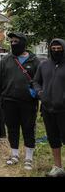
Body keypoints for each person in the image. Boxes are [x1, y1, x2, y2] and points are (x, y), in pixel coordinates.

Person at [0, 32, 40, 171]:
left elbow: (39, 81)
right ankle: (14, 155)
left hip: (28, 102)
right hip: (9, 101)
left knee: (28, 128)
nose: (13, 44)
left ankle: (29, 158)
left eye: (16, 41)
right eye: (12, 41)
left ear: (23, 43)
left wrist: (36, 93)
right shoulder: (6, 60)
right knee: (12, 128)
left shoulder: (34, 61)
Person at [34, 39, 65, 177]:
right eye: (54, 48)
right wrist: (40, 92)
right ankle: (58, 167)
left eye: (59, 48)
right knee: (53, 138)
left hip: (63, 109)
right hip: (47, 108)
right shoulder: (44, 65)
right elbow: (36, 81)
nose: (56, 51)